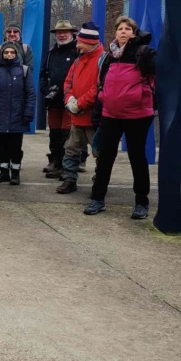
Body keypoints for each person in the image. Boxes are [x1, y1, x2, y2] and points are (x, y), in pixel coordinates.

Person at [86, 16, 157, 219]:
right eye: (120, 29)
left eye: (128, 29)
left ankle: (141, 202)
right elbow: (102, 84)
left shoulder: (145, 53)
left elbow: (166, 70)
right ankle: (97, 199)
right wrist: (99, 110)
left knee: (137, 157)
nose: (123, 32)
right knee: (105, 158)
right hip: (111, 113)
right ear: (115, 33)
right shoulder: (110, 56)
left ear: (134, 33)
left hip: (138, 114)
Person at [56, 22, 104, 195]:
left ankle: (100, 181)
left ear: (90, 42)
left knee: (99, 151)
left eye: (80, 42)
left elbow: (99, 87)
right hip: (77, 115)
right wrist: (70, 101)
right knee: (71, 149)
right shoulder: (78, 61)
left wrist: (80, 104)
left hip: (94, 117)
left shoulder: (102, 60)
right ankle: (69, 179)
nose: (77, 45)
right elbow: (68, 83)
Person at [0, 41, 36, 185]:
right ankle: (4, 172)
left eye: (12, 52)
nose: (9, 55)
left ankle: (16, 173)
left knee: (16, 146)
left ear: (16, 54)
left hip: (18, 116)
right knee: (2, 146)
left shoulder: (24, 71)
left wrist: (28, 113)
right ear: (1, 54)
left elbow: (31, 94)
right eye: (6, 52)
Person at [41, 20, 79, 179]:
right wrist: (45, 90)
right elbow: (43, 74)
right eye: (59, 32)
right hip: (54, 100)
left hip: (71, 101)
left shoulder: (78, 51)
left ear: (72, 33)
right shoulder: (51, 53)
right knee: (54, 132)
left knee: (68, 134)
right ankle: (56, 163)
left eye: (65, 32)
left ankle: (67, 166)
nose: (62, 35)